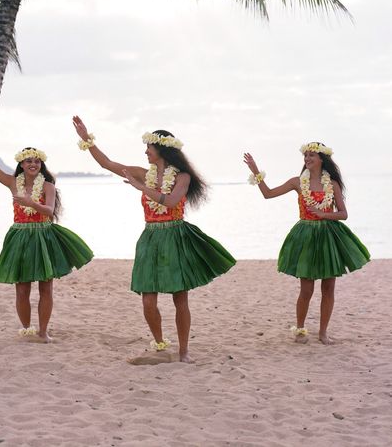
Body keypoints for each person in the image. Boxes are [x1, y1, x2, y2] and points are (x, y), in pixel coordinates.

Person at [73, 116, 236, 363]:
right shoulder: (142, 173)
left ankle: (183, 351)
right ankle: (160, 344)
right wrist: (87, 139)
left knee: (180, 298)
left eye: (148, 148)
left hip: (175, 236)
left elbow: (171, 202)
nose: (145, 152)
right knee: (148, 300)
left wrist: (142, 189)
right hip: (150, 237)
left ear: (160, 149)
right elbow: (107, 163)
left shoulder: (182, 177)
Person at [0, 123, 93, 342]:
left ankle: (43, 332)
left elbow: (50, 211)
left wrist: (30, 203)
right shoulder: (12, 182)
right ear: (21, 165)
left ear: (41, 164)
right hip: (20, 237)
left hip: (44, 237)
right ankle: (26, 328)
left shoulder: (48, 186)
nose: (33, 164)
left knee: (46, 288)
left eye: (36, 161)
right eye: (28, 161)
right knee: (22, 289)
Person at [244, 142, 370, 345]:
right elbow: (268, 194)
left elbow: (343, 214)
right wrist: (256, 171)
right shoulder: (297, 182)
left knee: (328, 288)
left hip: (329, 237)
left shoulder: (333, 184)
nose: (307, 158)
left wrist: (324, 214)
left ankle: (323, 333)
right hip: (306, 237)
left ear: (322, 159)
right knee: (306, 289)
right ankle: (301, 329)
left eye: (312, 155)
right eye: (306, 155)